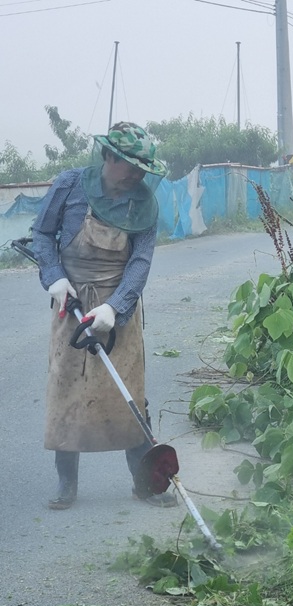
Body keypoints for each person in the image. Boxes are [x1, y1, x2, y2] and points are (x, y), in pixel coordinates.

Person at [32, 121, 177, 510]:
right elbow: (42, 235)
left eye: (142, 168)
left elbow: (141, 262)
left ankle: (143, 483)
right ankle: (67, 485)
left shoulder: (144, 202)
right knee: (66, 390)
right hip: (71, 303)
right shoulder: (70, 185)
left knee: (128, 393)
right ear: (108, 156)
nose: (136, 175)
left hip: (118, 311)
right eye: (129, 165)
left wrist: (116, 307)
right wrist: (55, 278)